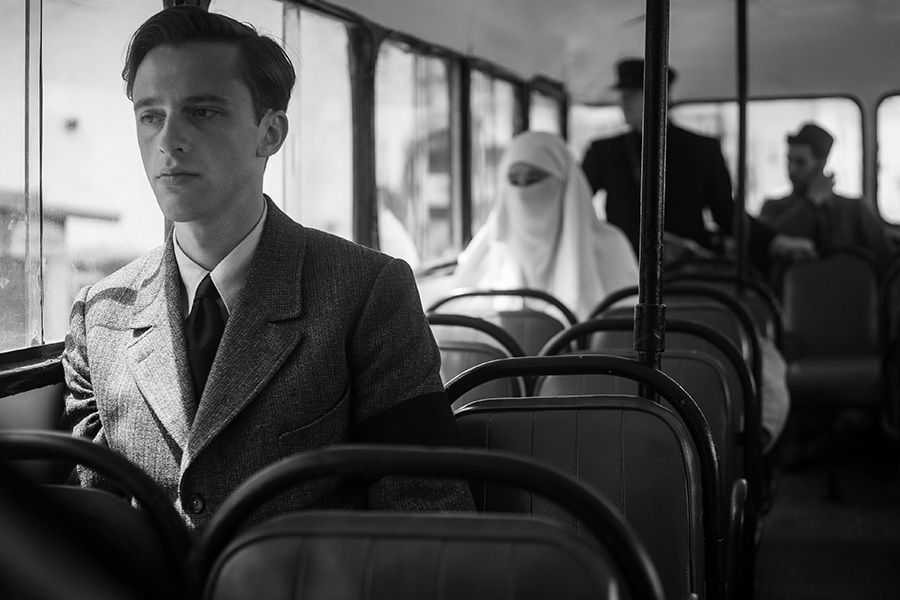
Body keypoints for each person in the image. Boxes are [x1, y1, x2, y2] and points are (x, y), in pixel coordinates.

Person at [60, 5, 473, 536]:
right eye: (150, 116)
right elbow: (93, 522)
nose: (168, 140)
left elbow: (425, 515)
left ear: (270, 133)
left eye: (202, 111)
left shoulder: (367, 292)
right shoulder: (100, 316)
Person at [581, 57, 817, 271]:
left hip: (687, 268)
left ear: (662, 95)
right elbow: (578, 200)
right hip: (624, 267)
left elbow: (725, 213)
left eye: (633, 94)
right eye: (623, 95)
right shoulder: (604, 152)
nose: (624, 102)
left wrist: (774, 242)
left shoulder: (701, 149)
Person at [451, 130, 639, 320]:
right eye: (513, 181)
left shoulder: (611, 249)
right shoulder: (489, 250)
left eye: (534, 180)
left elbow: (625, 328)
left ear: (565, 183)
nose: (522, 194)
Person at [759, 122, 893, 266]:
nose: (791, 169)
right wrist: (811, 201)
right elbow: (767, 244)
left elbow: (888, 261)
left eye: (800, 162)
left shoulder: (855, 209)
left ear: (821, 164)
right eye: (789, 161)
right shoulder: (774, 207)